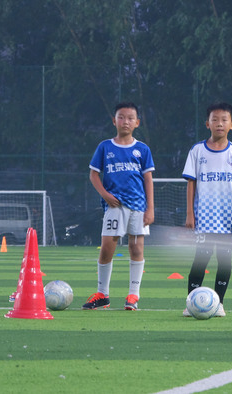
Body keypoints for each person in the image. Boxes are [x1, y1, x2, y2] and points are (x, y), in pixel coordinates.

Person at [182, 102, 232, 317]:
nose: (219, 124)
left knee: (224, 261)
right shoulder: (197, 151)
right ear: (208, 124)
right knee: (200, 259)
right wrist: (189, 213)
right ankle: (191, 303)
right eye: (215, 119)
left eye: (224, 120)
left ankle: (219, 303)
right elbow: (191, 183)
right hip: (204, 216)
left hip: (227, 217)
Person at [83, 102, 155, 311]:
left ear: (137, 123)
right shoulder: (105, 146)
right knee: (107, 248)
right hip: (114, 206)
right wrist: (105, 195)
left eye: (130, 118)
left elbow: (148, 179)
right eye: (121, 117)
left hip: (138, 207)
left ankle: (133, 295)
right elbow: (93, 174)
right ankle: (102, 294)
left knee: (136, 247)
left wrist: (150, 208)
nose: (126, 121)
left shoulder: (142, 149)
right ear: (114, 121)